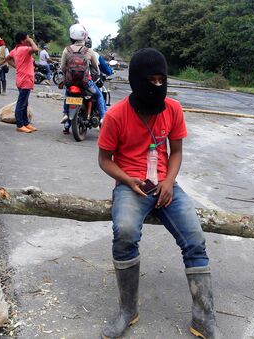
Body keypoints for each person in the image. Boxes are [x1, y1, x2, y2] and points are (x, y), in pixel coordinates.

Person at [97, 48, 220, 339]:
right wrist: (128, 180)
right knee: (125, 232)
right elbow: (104, 160)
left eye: (160, 79)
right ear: (135, 82)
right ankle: (128, 310)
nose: (156, 85)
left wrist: (169, 181)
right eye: (149, 80)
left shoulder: (173, 109)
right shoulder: (116, 115)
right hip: (131, 186)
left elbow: (175, 152)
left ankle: (204, 319)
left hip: (165, 186)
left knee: (195, 239)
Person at [60, 24, 106, 134]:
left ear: (72, 37)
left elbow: (62, 67)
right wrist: (98, 74)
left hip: (70, 81)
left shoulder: (66, 50)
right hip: (85, 82)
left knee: (68, 94)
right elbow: (95, 66)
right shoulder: (88, 51)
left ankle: (66, 114)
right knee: (99, 95)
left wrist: (67, 75)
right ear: (84, 37)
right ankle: (104, 117)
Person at [5, 32, 39, 133]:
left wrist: (16, 66)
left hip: (21, 78)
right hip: (25, 80)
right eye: (27, 38)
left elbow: (7, 58)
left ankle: (26, 123)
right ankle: (20, 124)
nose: (29, 39)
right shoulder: (24, 49)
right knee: (21, 103)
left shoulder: (15, 50)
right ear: (22, 40)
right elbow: (36, 49)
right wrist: (31, 41)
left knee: (25, 103)